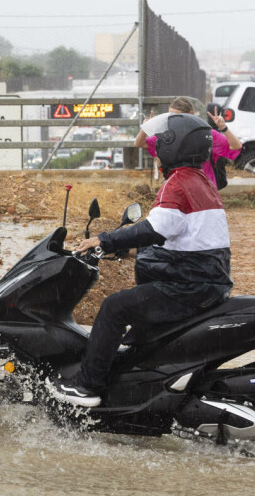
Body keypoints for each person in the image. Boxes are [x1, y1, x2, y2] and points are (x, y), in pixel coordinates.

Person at [48, 113, 233, 407]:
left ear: (174, 145)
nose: (157, 147)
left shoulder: (179, 182)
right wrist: (130, 250)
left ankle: (87, 385)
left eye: (161, 141)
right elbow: (180, 238)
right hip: (202, 280)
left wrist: (104, 239)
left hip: (188, 286)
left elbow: (154, 228)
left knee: (114, 307)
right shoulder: (201, 181)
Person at [136, 96, 241, 189]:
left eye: (177, 116)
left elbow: (236, 146)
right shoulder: (168, 135)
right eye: (171, 116)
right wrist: (146, 128)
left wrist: (223, 128)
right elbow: (140, 143)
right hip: (178, 186)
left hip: (204, 186)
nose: (174, 120)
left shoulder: (206, 133)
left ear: (190, 114)